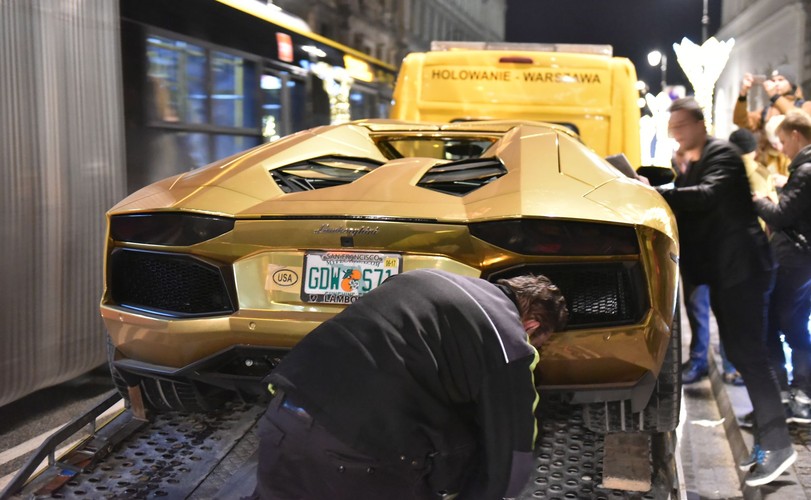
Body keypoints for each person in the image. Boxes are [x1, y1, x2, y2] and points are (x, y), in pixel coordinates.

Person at [249, 268, 569, 500]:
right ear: (531, 325)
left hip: (284, 417)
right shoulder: (509, 341)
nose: (533, 348)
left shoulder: (421, 279)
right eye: (538, 341)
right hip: (359, 456)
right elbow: (512, 460)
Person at [657, 97, 795, 487]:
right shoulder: (698, 159)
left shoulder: (723, 154)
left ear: (699, 124)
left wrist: (661, 191)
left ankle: (779, 444)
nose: (676, 134)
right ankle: (771, 436)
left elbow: (706, 196)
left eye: (681, 126)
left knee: (749, 354)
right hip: (727, 272)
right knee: (740, 351)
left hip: (743, 270)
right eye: (673, 128)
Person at [753, 109, 811, 424]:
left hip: (794, 260)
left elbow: (781, 216)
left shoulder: (805, 170)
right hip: (799, 260)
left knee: (783, 323)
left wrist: (760, 200)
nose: (782, 147)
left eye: (784, 140)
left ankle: (795, 395)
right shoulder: (803, 170)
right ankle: (795, 394)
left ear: (796, 136)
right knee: (791, 322)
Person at [734, 65, 811, 179]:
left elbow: (799, 118)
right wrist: (743, 93)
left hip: (792, 165)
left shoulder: (805, 105)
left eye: (781, 80)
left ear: (791, 83)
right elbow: (741, 120)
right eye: (773, 80)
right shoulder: (767, 110)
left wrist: (775, 96)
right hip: (767, 167)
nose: (776, 84)